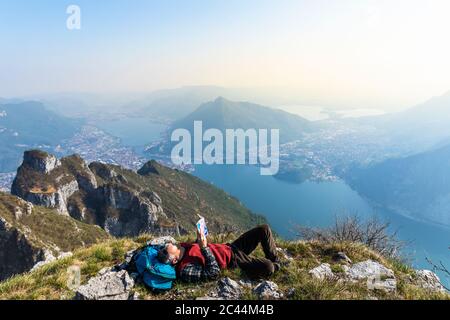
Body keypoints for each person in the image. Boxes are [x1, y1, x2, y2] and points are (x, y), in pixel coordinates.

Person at [157, 224, 281, 283]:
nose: (163, 248)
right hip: (232, 261)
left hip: (231, 247)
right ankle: (276, 266)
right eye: (164, 252)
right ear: (174, 260)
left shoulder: (181, 246)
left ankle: (276, 261)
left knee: (263, 229)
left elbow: (196, 250)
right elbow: (213, 273)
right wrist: (204, 247)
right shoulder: (184, 269)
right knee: (268, 267)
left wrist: (200, 236)